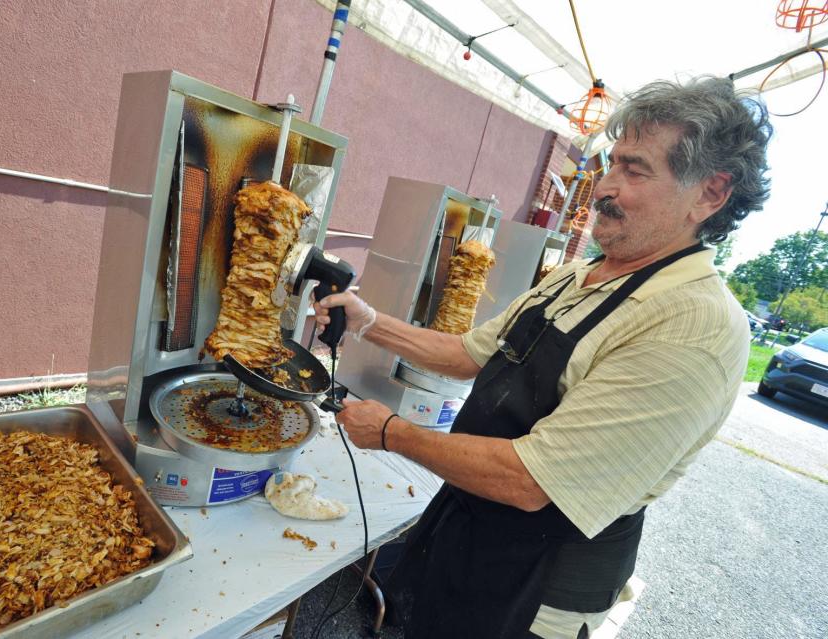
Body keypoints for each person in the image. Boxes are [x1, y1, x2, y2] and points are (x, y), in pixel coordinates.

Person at [313, 76, 771, 638]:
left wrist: (392, 433)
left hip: (534, 594)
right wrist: (371, 321)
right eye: (611, 164)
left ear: (710, 193)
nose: (604, 186)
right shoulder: (580, 276)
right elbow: (469, 354)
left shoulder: (692, 324)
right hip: (469, 531)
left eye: (634, 169)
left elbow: (534, 481)